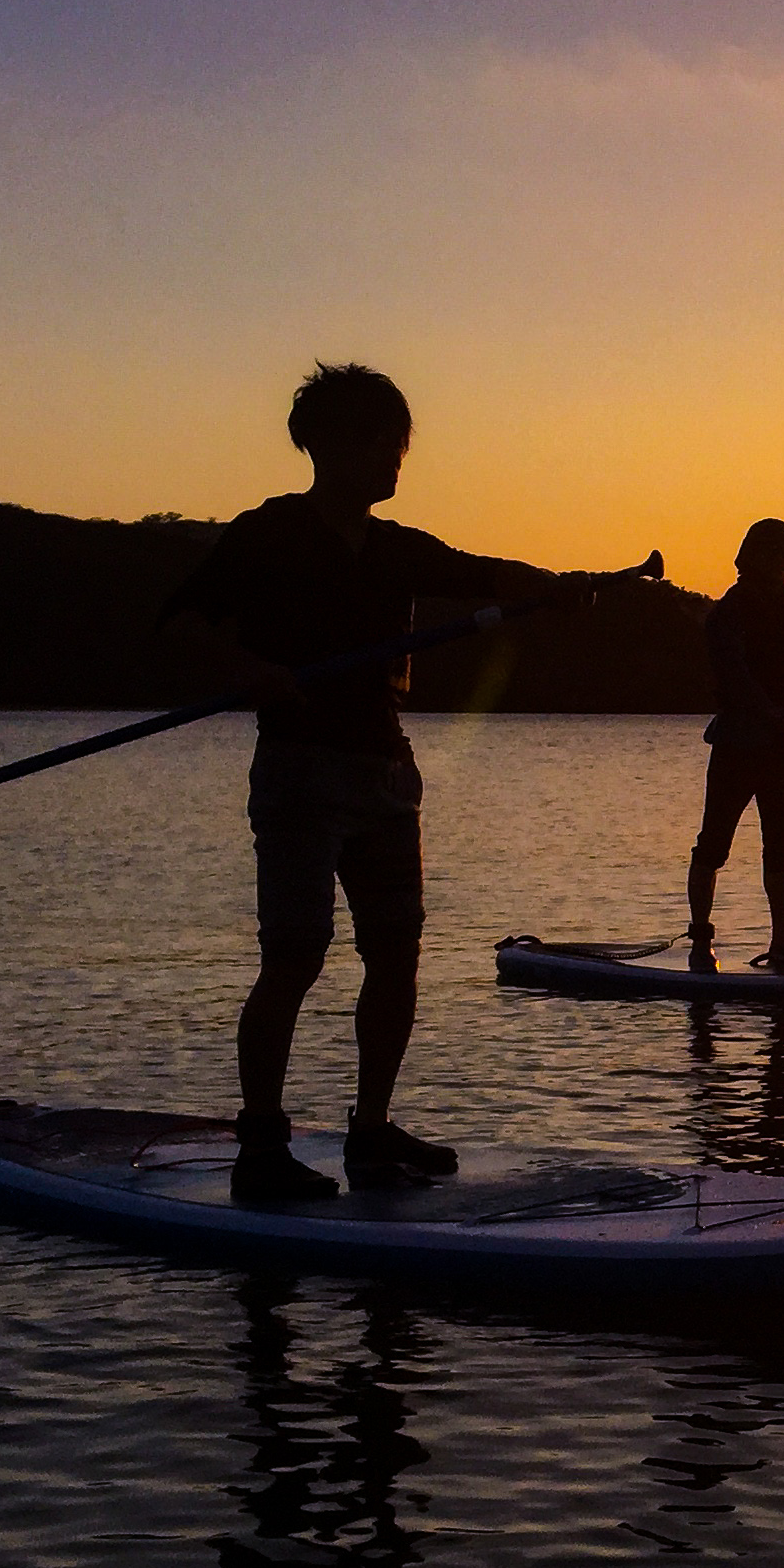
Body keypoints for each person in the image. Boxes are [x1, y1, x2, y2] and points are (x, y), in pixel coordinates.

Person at [164, 362, 613, 1202]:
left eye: (401, 446)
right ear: (328, 444)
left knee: (396, 956)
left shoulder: (396, 548)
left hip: (385, 774)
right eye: (382, 443)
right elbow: (181, 621)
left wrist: (559, 590)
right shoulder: (268, 534)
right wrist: (249, 667)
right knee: (295, 957)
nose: (395, 462)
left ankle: (370, 1133)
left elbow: (485, 573)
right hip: (299, 768)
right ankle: (260, 1147)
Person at [687, 517, 784, 973]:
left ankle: (783, 940)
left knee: (781, 843)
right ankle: (700, 939)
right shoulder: (728, 613)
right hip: (737, 741)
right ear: (754, 558)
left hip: (779, 745)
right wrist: (767, 710)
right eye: (775, 554)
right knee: (713, 844)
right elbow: (731, 671)